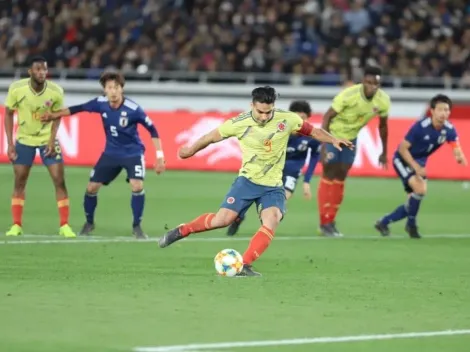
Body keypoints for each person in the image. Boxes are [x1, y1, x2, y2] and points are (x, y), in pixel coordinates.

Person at [158, 86, 352, 276]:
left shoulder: (288, 119)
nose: (264, 116)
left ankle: (245, 264)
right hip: (247, 182)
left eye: (268, 112)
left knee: (272, 220)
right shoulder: (238, 123)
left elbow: (314, 131)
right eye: (260, 112)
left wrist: (333, 140)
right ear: (251, 105)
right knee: (222, 220)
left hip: (274, 186)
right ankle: (183, 230)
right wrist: (190, 150)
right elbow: (210, 137)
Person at [41, 71, 166, 239]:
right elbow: (77, 109)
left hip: (133, 153)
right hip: (111, 153)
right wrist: (53, 115)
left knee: (137, 186)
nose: (113, 91)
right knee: (91, 188)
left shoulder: (133, 109)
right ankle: (89, 222)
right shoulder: (100, 103)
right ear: (104, 90)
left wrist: (159, 157)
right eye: (109, 88)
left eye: (116, 87)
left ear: (122, 89)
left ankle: (137, 226)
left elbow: (153, 130)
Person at [375, 94, 467, 238]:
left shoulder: (449, 129)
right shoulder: (420, 127)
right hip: (403, 160)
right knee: (420, 189)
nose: (444, 113)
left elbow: (455, 144)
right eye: (441, 110)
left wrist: (459, 155)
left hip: (419, 163)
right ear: (432, 111)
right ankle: (411, 225)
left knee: (413, 201)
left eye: (447, 110)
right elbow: (402, 149)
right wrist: (415, 167)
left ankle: (384, 222)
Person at [4, 56, 76, 238]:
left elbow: (57, 115)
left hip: (46, 140)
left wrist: (52, 140)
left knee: (59, 180)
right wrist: (10, 144)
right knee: (20, 181)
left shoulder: (56, 91)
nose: (42, 73)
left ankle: (65, 225)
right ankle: (16, 225)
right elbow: (8, 113)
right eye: (38, 69)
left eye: (44, 69)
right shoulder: (17, 89)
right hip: (24, 139)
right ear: (30, 72)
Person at [226, 100, 321, 236]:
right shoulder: (280, 130)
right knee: (250, 196)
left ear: (308, 118)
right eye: (297, 118)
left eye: (303, 118)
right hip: (269, 169)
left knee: (279, 203)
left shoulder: (311, 136)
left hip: (291, 173)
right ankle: (239, 216)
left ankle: (265, 229)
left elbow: (314, 157)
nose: (299, 122)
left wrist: (306, 181)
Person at [317, 65, 391, 237]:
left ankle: (331, 220)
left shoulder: (383, 101)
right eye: (369, 82)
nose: (372, 86)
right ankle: (324, 222)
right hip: (333, 136)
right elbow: (327, 116)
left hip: (351, 139)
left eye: (376, 84)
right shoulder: (348, 95)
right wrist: (323, 143)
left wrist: (384, 151)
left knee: (341, 175)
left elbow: (383, 126)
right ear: (364, 81)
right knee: (329, 173)